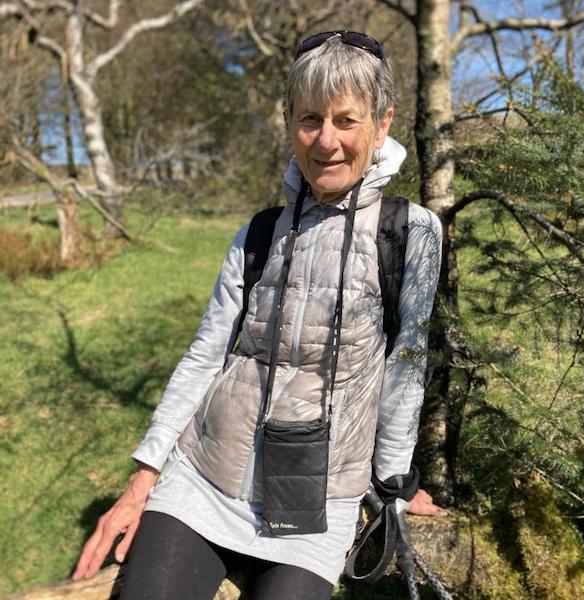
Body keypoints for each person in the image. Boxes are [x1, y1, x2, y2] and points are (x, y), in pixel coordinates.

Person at [73, 30, 445, 600]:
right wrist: (144, 475)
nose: (326, 141)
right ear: (289, 120)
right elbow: (206, 355)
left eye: (346, 120)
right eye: (309, 119)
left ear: (381, 124)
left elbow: (405, 369)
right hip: (203, 481)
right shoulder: (260, 231)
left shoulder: (411, 232)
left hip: (318, 504)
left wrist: (394, 484)